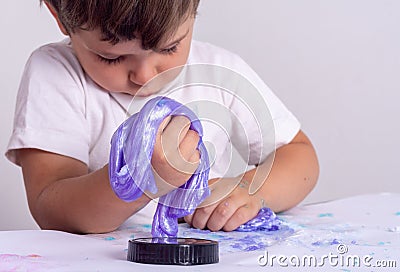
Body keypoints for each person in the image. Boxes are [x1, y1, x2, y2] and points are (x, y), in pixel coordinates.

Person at [6, 0, 319, 234]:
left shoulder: (220, 72)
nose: (144, 76)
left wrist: (250, 192)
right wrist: (140, 181)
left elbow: (301, 157)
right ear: (59, 15)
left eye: (169, 48)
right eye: (110, 57)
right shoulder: (55, 73)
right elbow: (50, 208)